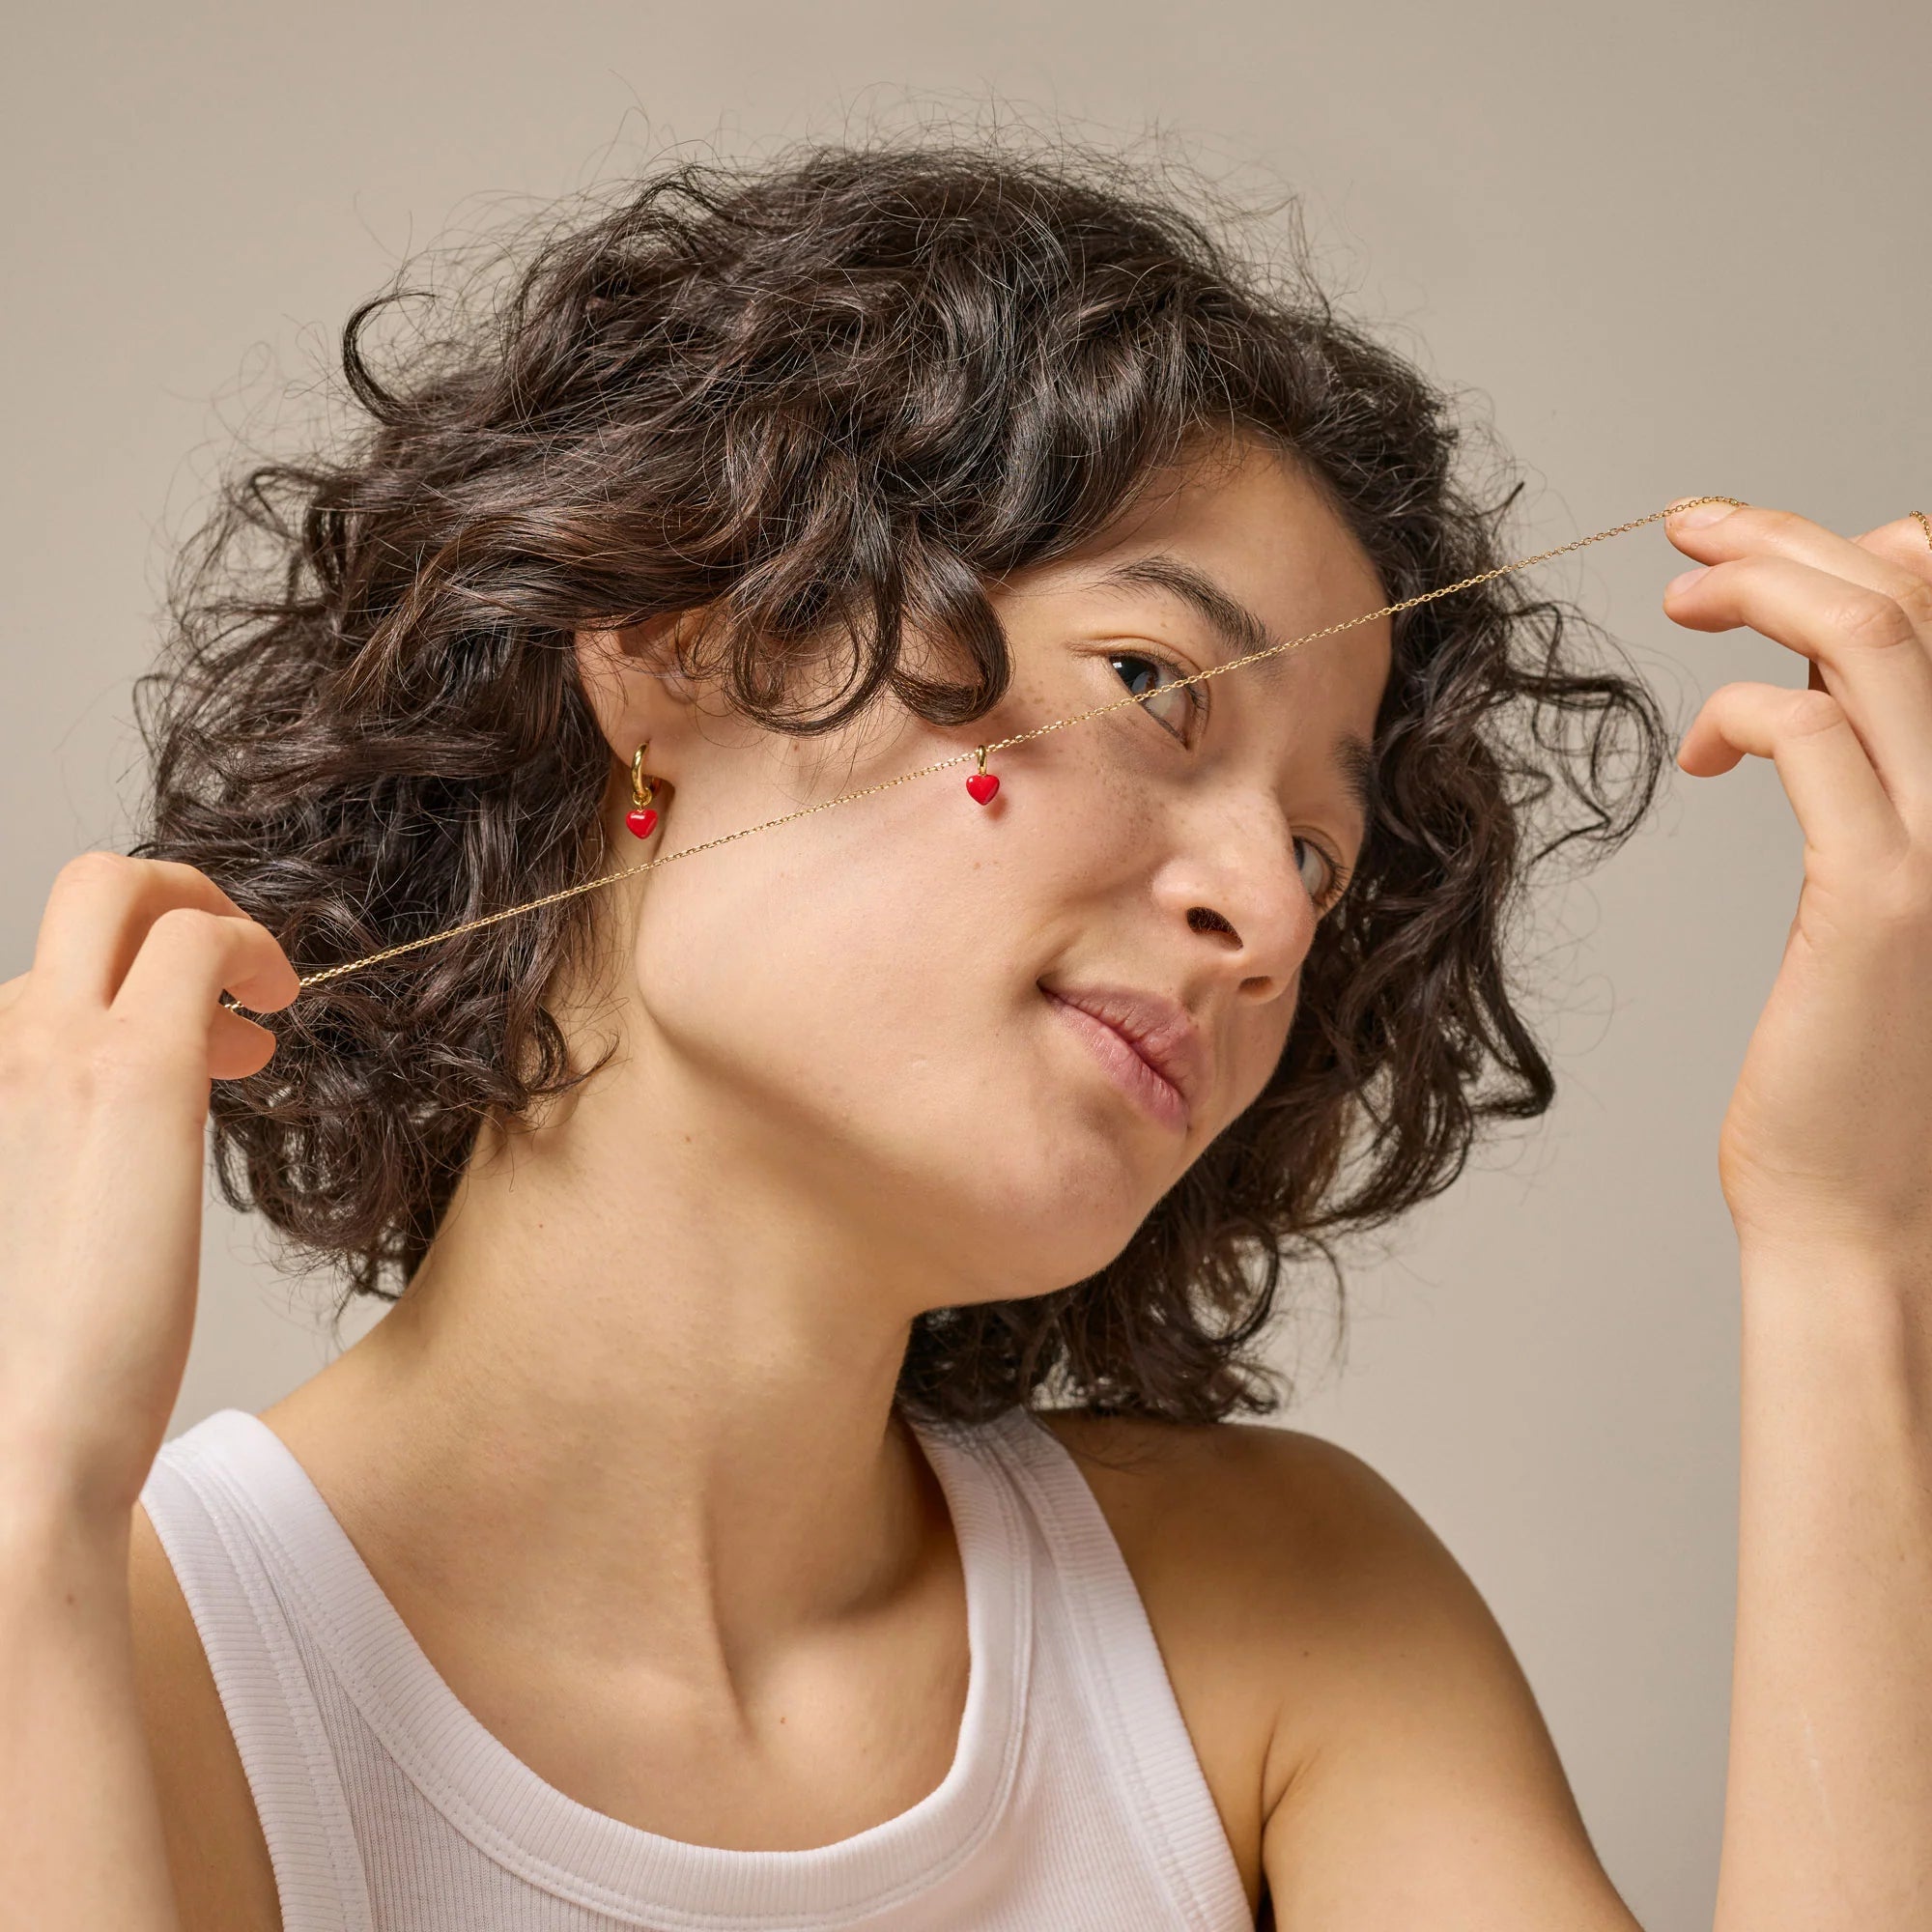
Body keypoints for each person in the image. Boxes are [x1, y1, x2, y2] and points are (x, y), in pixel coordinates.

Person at [3, 138, 1929, 1932]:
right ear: (685, 648)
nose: (1265, 918)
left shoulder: (1276, 1624)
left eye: (1321, 855)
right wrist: (28, 1523)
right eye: (1156, 683)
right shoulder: (121, 1632)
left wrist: (1847, 1244)